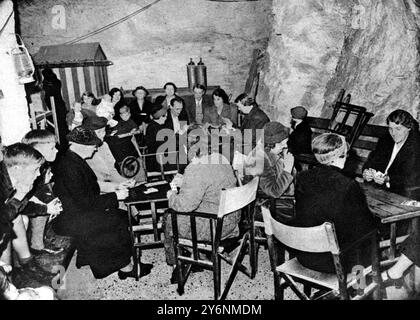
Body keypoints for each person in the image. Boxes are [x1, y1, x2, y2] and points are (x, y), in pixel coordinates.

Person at [51, 126, 152, 279]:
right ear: (80, 146)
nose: (95, 149)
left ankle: (117, 262)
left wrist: (117, 186)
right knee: (117, 219)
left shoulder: (74, 159)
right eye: (93, 146)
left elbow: (92, 187)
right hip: (74, 217)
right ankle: (125, 268)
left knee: (120, 215)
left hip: (80, 211)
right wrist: (115, 196)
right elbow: (85, 202)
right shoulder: (70, 166)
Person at [293, 133, 377, 273]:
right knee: (366, 241)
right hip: (334, 261)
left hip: (305, 253)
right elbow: (365, 227)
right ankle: (360, 288)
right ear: (342, 155)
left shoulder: (302, 177)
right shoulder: (348, 185)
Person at [163, 135, 240, 282]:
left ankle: (177, 265)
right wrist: (187, 181)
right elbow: (210, 182)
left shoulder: (195, 168)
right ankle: (198, 254)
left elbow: (184, 205)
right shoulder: (220, 158)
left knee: (168, 217)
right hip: (232, 218)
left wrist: (171, 195)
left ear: (186, 149)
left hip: (216, 226)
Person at [0, 142, 52, 281]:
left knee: (18, 220)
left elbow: (20, 207)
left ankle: (27, 265)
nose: (38, 175)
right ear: (17, 168)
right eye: (35, 169)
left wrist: (45, 208)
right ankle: (7, 280)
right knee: (6, 233)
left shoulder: (13, 177)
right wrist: (18, 196)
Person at [21, 130, 63, 255]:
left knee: (51, 200)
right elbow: (22, 197)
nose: (56, 151)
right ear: (38, 150)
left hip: (27, 198)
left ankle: (37, 242)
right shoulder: (26, 168)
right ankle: (36, 246)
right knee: (45, 205)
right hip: (14, 205)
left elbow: (40, 188)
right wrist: (45, 205)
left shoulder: (43, 165)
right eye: (52, 148)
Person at [363, 109, 420, 200]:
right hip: (379, 188)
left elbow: (412, 178)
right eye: (390, 128)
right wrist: (366, 172)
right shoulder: (385, 140)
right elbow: (372, 159)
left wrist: (388, 179)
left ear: (409, 128)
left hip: (401, 193)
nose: (393, 133)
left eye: (398, 129)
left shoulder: (416, 146)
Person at [82, 116, 144, 192]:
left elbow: (112, 172)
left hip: (112, 188)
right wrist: (116, 186)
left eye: (103, 131)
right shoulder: (83, 152)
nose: (102, 135)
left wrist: (126, 182)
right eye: (99, 132)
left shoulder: (104, 146)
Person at [41, 68, 69, 149]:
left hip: (55, 105)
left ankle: (62, 143)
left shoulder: (48, 82)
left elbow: (47, 92)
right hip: (59, 104)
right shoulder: (56, 81)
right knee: (62, 124)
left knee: (59, 125)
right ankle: (65, 142)